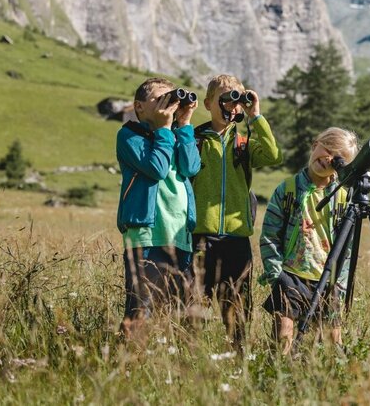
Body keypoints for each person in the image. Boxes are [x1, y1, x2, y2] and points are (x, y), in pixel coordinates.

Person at [191, 74, 283, 347]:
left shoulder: (242, 144)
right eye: (226, 98)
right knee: (194, 307)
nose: (233, 105)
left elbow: (272, 155)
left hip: (236, 240)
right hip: (200, 237)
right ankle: (189, 356)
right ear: (209, 103)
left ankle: (238, 355)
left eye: (238, 100)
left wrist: (256, 116)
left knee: (238, 311)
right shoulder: (194, 141)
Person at [258, 127, 359, 354]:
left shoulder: (344, 197)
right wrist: (276, 274)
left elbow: (348, 247)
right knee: (283, 333)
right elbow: (269, 234)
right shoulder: (287, 189)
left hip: (328, 278)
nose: (328, 159)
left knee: (333, 338)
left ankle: (328, 379)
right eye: (327, 149)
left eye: (337, 159)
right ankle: (278, 377)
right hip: (291, 274)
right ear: (315, 145)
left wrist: (340, 283)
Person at [116, 77, 200, 337]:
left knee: (179, 315)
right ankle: (127, 364)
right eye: (160, 99)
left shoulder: (175, 136)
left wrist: (184, 125)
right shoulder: (130, 135)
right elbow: (157, 169)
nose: (168, 104)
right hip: (147, 237)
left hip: (180, 238)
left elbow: (191, 167)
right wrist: (165, 130)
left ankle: (167, 366)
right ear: (139, 107)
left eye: (171, 98)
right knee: (142, 312)